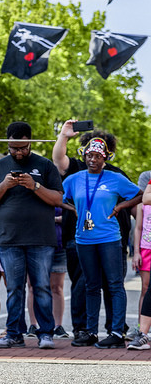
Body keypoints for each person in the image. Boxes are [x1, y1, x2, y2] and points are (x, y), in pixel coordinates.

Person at [53, 121, 135, 339]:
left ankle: (115, 330)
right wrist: (63, 135)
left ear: (107, 155)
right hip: (80, 238)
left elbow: (137, 197)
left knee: (113, 285)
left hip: (112, 239)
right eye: (89, 153)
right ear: (84, 152)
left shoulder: (117, 175)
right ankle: (85, 330)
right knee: (85, 285)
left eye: (99, 153)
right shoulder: (74, 173)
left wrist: (121, 208)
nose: (93, 158)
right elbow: (58, 165)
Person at [0, 121, 62, 350]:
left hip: (41, 238)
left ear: (30, 142)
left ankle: (45, 333)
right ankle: (14, 334)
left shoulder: (45, 165)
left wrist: (35, 186)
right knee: (14, 288)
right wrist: (4, 186)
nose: (19, 152)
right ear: (8, 144)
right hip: (9, 239)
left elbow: (58, 199)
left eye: (23, 147)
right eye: (14, 148)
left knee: (41, 287)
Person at [26, 206, 69, 339]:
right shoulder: (31, 188)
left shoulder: (62, 190)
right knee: (33, 287)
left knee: (57, 287)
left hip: (58, 244)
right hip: (35, 244)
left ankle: (58, 325)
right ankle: (33, 325)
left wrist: (54, 219)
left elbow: (70, 216)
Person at [131, 200, 151, 340]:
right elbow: (138, 228)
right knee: (145, 288)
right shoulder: (142, 205)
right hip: (146, 249)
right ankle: (141, 328)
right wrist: (136, 252)